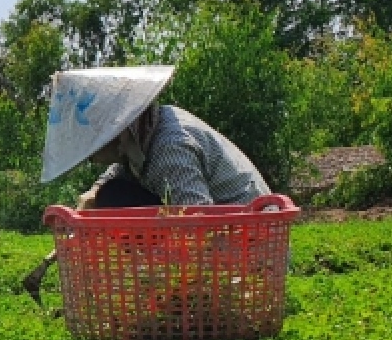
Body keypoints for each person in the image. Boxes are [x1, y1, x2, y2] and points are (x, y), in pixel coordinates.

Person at [23, 65, 271, 302]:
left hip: (248, 250)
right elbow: (120, 172)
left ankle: (180, 291)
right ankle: (167, 286)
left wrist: (161, 275)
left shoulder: (170, 149)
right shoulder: (146, 130)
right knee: (109, 194)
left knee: (113, 199)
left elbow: (199, 225)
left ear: (116, 133)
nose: (89, 156)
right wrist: (94, 193)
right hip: (228, 237)